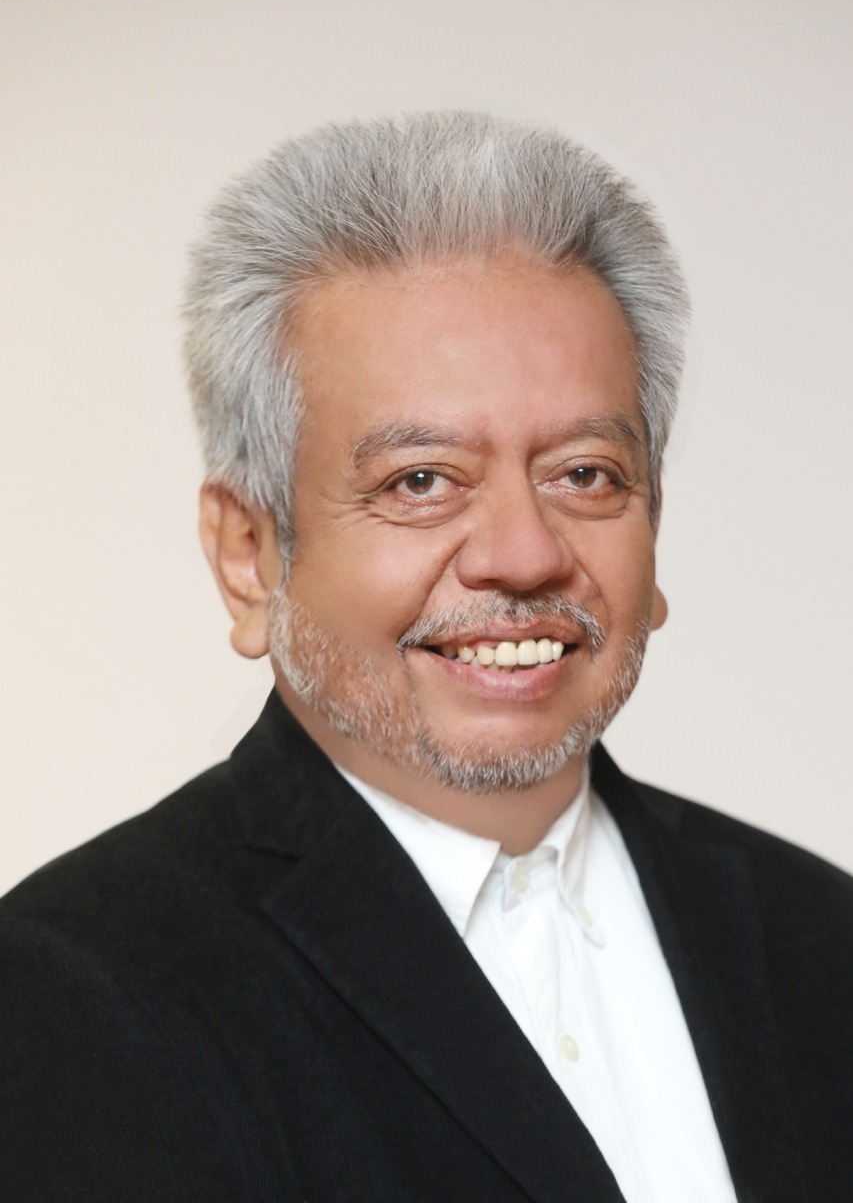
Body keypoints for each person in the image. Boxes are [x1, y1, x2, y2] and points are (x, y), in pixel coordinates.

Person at [1, 112, 851, 1203]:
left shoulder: (817, 935)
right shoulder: (83, 990)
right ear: (249, 553)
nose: (524, 554)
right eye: (421, 481)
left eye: (585, 474)